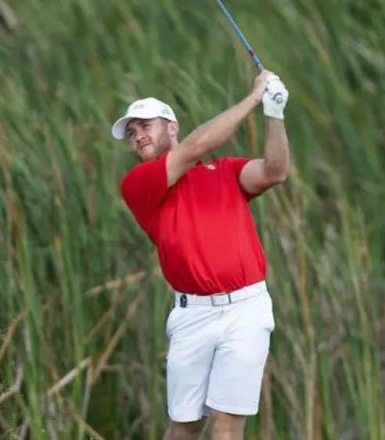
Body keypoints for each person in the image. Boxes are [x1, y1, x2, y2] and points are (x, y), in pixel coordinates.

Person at [112, 70, 290, 440]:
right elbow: (194, 148)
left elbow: (275, 171)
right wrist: (253, 98)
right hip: (192, 316)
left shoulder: (224, 172)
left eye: (145, 125)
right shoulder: (139, 184)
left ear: (171, 126)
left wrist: (274, 115)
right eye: (131, 133)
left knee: (226, 426)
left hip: (246, 309)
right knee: (185, 429)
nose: (138, 136)